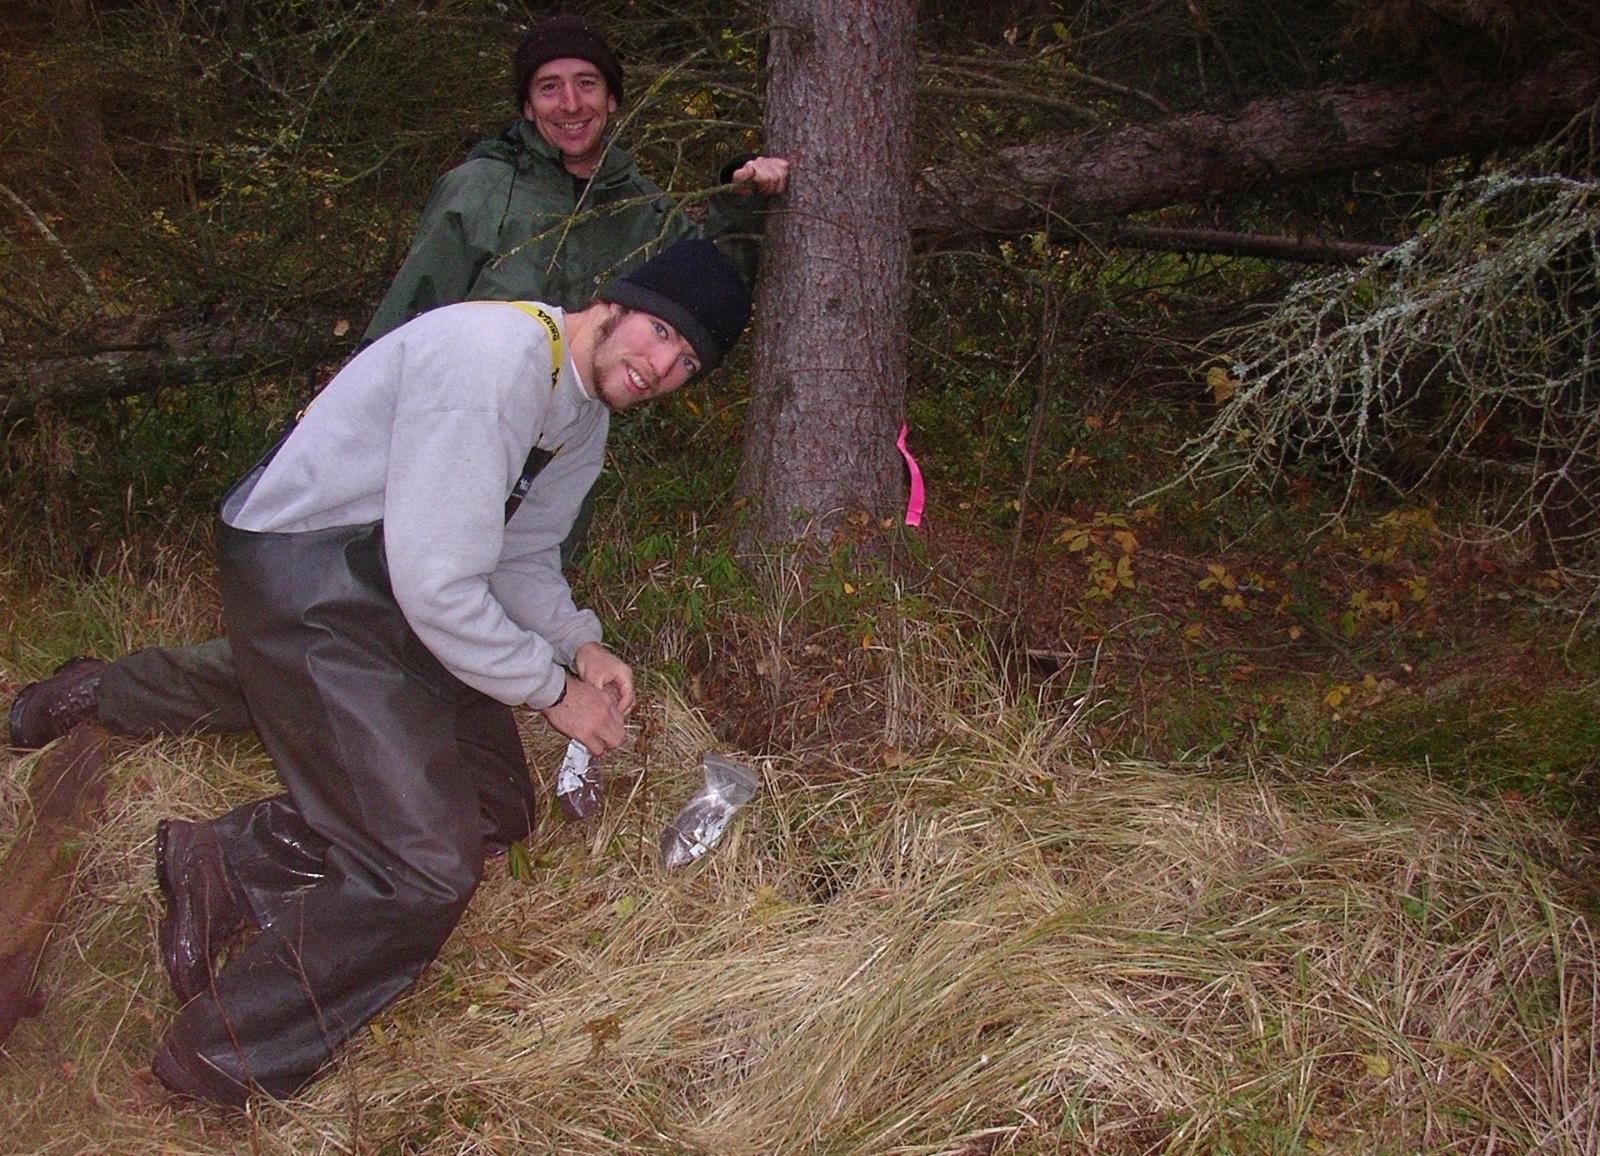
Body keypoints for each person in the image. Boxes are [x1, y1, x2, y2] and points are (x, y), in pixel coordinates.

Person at [11, 239, 752, 1107]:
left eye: (687, 359)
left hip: (392, 588)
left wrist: (578, 643)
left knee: (495, 807)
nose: (660, 365)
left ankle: (227, 862)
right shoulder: (497, 360)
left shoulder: (581, 416)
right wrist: (553, 693)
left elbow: (519, 555)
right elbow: (441, 585)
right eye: (660, 330)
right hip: (308, 582)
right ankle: (213, 1065)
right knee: (427, 865)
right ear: (616, 301)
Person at [4, 11, 788, 755]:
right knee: (338, 653)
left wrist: (745, 197)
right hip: (438, 443)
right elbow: (418, 309)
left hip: (530, 462)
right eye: (549, 86)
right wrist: (355, 398)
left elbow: (704, 290)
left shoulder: (635, 204)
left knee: (432, 635)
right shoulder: (482, 190)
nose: (571, 102)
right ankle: (106, 694)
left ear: (613, 97)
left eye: (588, 83)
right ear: (526, 103)